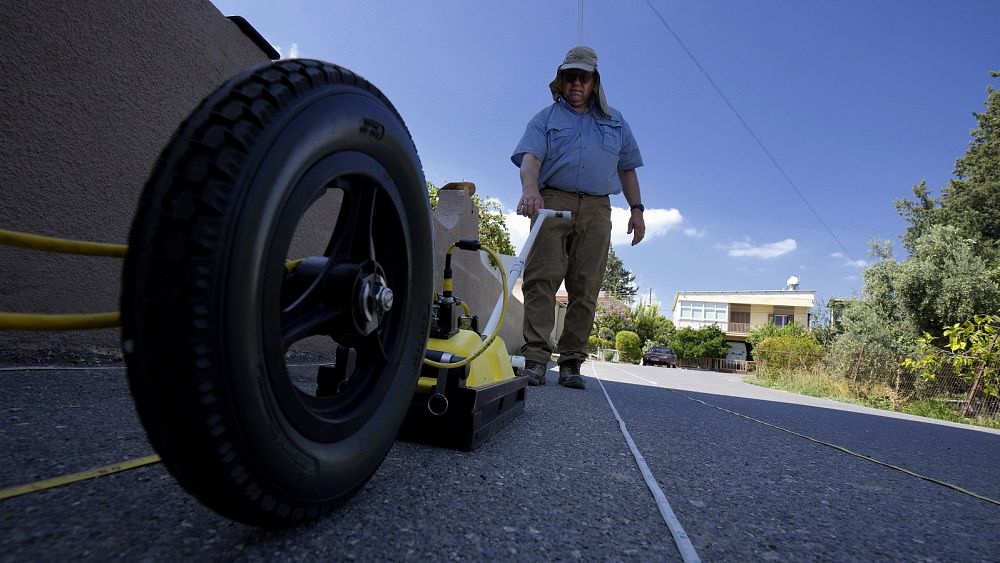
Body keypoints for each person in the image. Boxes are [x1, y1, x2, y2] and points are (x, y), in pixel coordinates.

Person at [511, 46, 646, 390]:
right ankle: (536, 359)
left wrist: (637, 210)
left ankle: (572, 362)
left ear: (593, 82)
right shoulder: (546, 119)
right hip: (552, 199)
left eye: (582, 77)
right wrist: (531, 190)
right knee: (540, 280)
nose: (575, 83)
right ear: (561, 80)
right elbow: (530, 159)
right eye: (569, 76)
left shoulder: (616, 122)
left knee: (586, 285)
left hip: (598, 208)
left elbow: (627, 168)